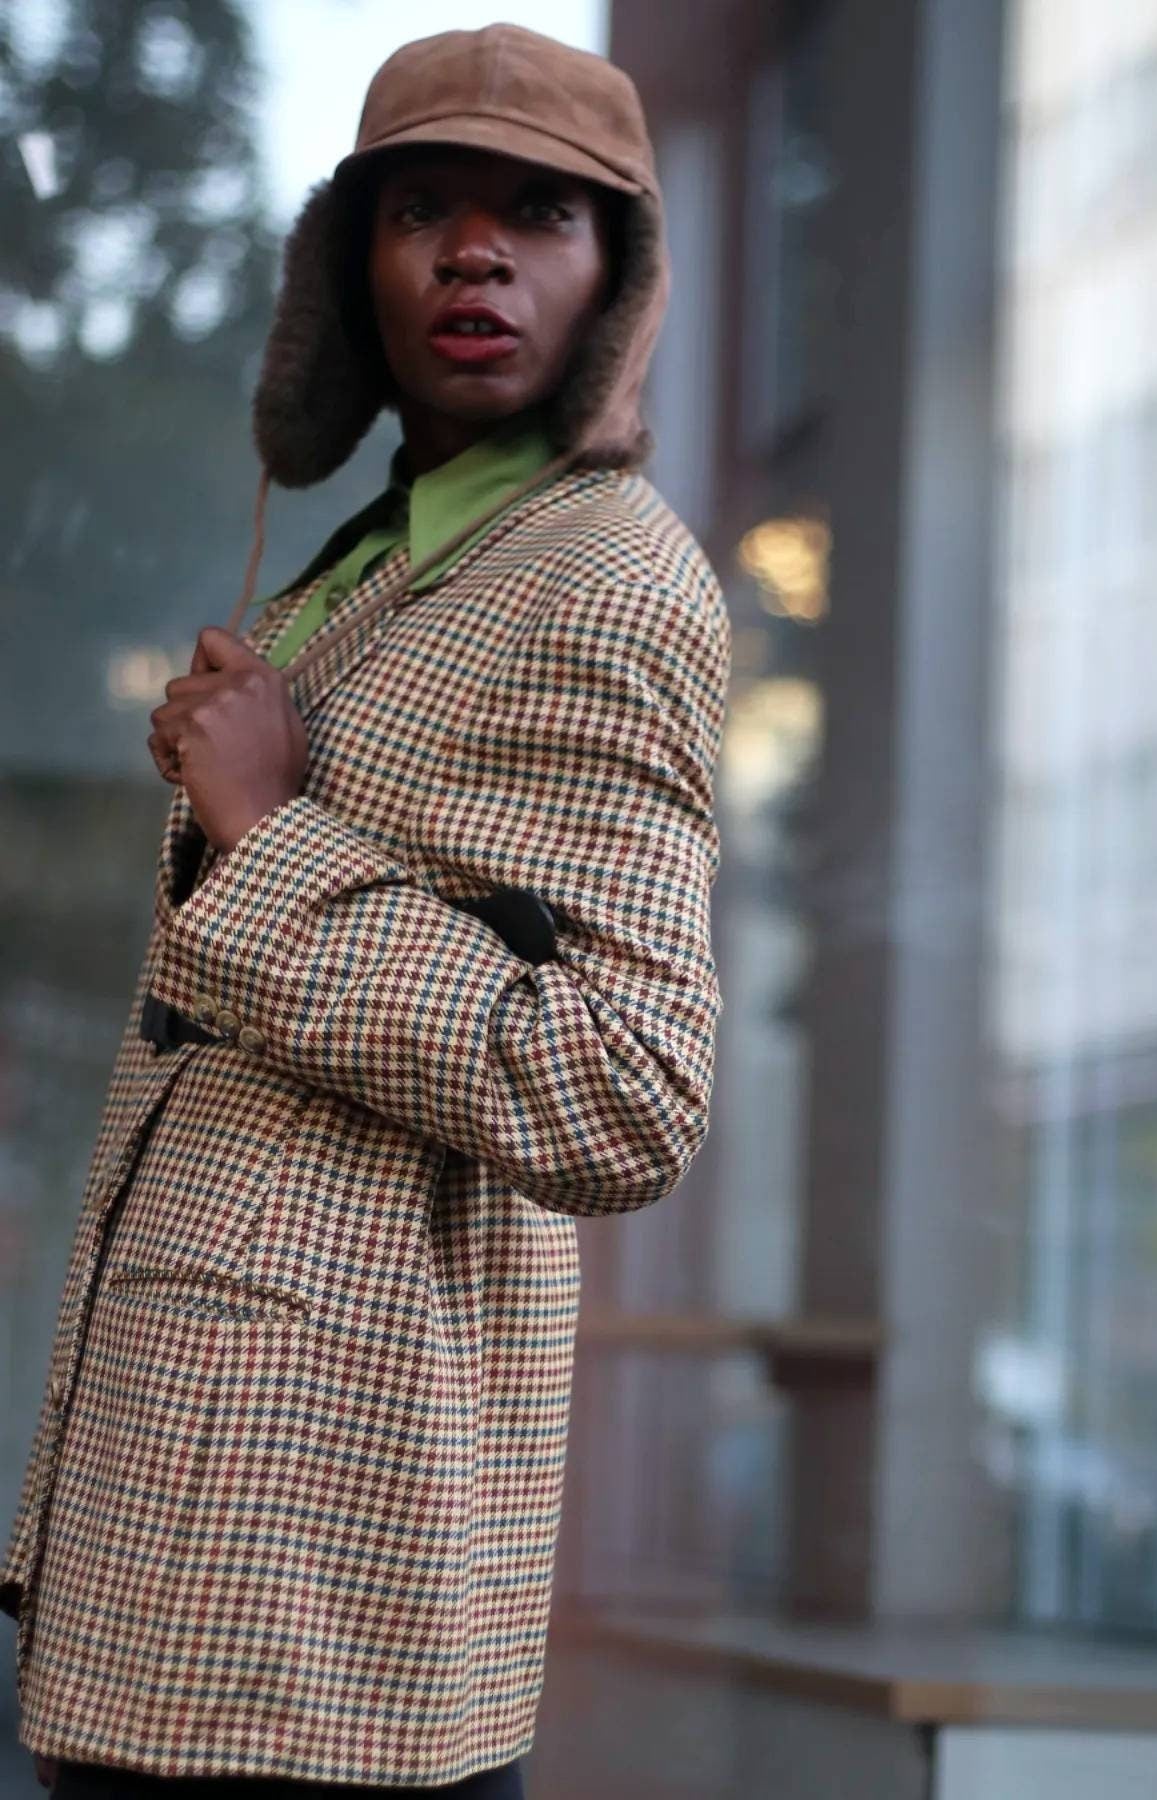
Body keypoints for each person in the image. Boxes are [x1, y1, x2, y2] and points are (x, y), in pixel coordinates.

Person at [2, 23, 729, 1798]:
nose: (472, 251)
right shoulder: (391, 557)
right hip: (203, 1526)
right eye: (422, 209)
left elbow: (628, 1083)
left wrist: (262, 831)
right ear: (355, 270)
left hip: (318, 1575)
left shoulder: (609, 583)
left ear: (614, 277)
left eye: (539, 213)